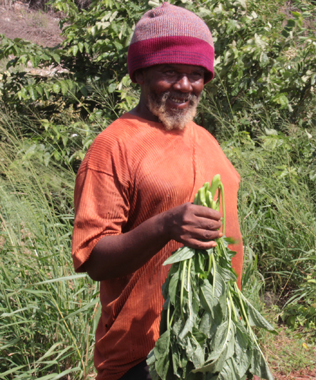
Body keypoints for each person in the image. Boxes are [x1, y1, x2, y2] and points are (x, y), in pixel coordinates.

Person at [70, 4, 244, 380]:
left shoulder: (208, 141)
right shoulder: (114, 146)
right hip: (144, 355)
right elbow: (95, 260)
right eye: (170, 71)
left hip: (215, 343)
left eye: (196, 74)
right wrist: (166, 225)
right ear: (141, 74)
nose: (184, 85)